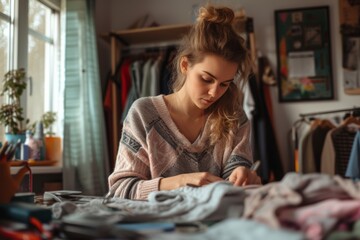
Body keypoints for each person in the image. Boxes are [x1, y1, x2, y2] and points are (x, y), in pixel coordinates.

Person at [108, 4, 261, 200]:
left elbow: (234, 187)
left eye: (225, 84)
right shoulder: (144, 114)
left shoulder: (235, 118)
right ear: (185, 65)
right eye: (206, 79)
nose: (215, 93)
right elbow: (119, 191)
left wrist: (244, 175)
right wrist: (178, 182)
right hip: (156, 227)